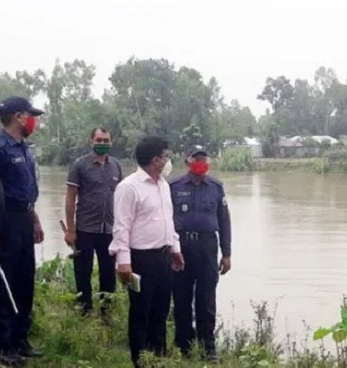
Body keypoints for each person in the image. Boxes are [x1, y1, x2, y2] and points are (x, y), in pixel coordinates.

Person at [108, 136, 185, 368]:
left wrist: (175, 248)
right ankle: (140, 360)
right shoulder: (128, 187)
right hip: (140, 259)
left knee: (161, 310)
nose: (168, 159)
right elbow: (121, 226)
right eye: (166, 155)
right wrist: (124, 262)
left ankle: (158, 356)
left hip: (163, 256)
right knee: (141, 311)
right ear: (155, 160)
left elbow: (167, 220)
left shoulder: (163, 184)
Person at [0, 96, 45, 365]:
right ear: (18, 117)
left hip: (25, 218)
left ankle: (21, 339)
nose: (34, 120)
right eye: (31, 115)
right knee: (4, 283)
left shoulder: (24, 148)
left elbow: (28, 191)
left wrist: (35, 218)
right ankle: (3, 344)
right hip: (6, 221)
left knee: (25, 281)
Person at [170, 145, 232, 360]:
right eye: (197, 159)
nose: (201, 163)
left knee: (206, 300)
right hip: (181, 248)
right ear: (188, 161)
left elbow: (224, 221)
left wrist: (226, 253)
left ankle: (208, 348)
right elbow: (164, 219)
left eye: (204, 159)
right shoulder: (173, 186)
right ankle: (184, 346)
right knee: (181, 298)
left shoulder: (216, 187)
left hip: (207, 248)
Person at [64, 127, 123, 316]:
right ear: (91, 142)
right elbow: (70, 197)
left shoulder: (116, 166)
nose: (103, 144)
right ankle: (84, 310)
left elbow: (121, 197)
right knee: (83, 272)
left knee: (108, 274)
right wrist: (70, 230)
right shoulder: (80, 165)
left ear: (111, 142)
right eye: (99, 140)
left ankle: (106, 312)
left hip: (109, 230)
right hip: (85, 228)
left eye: (106, 140)